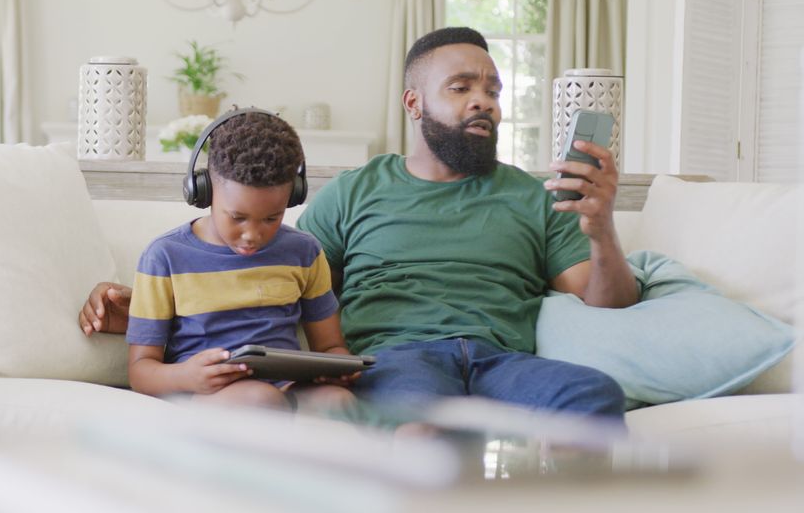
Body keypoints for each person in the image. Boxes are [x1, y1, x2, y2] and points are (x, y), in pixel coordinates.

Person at [82, 27, 637, 420]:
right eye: (462, 87)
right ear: (413, 102)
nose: (483, 103)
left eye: (493, 90)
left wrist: (601, 227)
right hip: (399, 359)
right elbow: (266, 272)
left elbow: (605, 300)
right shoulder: (355, 190)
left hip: (504, 360)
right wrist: (142, 312)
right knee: (413, 417)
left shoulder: (533, 195)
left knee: (593, 395)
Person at [84, 109, 357, 412]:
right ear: (205, 190)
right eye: (238, 217)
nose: (252, 234)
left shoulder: (304, 252)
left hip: (285, 388)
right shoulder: (165, 257)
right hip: (205, 394)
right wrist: (186, 377)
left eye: (271, 218)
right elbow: (141, 371)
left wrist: (339, 368)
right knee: (260, 400)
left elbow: (330, 346)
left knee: (340, 402)